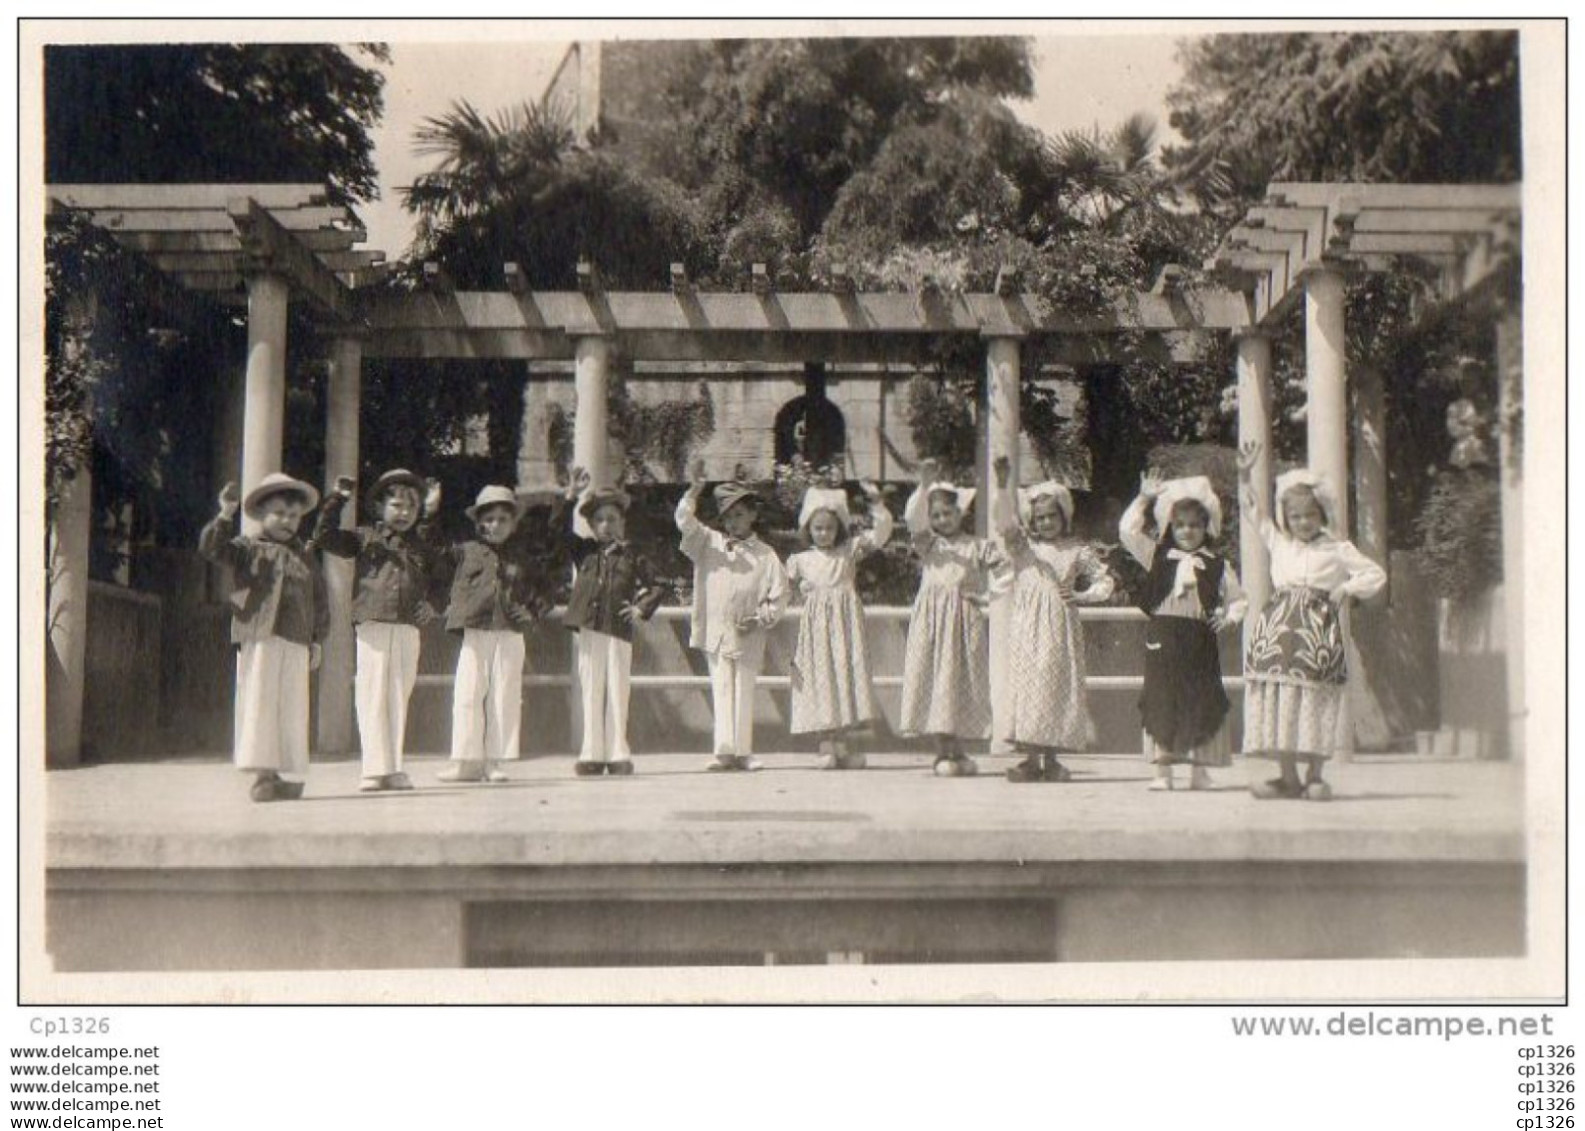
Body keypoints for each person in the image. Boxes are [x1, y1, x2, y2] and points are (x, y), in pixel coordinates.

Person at [1237, 442, 1387, 799]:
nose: (1303, 523)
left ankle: (1315, 775)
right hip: (1277, 636)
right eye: (1295, 517)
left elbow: (1375, 575)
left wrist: (1346, 589)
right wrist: (1244, 474)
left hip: (1317, 637)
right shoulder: (1280, 543)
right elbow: (1253, 511)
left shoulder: (1337, 549)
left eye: (1309, 515)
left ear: (1322, 514)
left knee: (1316, 701)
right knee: (1281, 701)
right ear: (1286, 518)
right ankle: (1287, 776)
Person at [199, 472, 327, 802]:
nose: (287, 520)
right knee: (260, 701)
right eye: (279, 513)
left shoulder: (305, 556)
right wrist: (226, 514)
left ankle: (281, 772)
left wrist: (317, 639)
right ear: (261, 515)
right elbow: (212, 548)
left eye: (294, 515)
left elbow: (319, 598)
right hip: (262, 633)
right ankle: (261, 774)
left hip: (296, 637)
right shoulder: (247, 548)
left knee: (291, 705)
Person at [312, 469, 441, 792]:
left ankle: (394, 768)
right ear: (380, 507)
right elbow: (324, 536)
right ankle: (373, 769)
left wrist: (435, 605)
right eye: (396, 505)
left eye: (411, 508)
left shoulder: (422, 545)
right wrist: (337, 499)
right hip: (373, 625)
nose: (404, 513)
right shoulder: (364, 537)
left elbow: (444, 577)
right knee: (372, 693)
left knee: (398, 694)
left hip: (408, 627)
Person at [1119, 472, 1246, 791]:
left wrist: (1228, 617)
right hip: (1164, 637)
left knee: (1202, 700)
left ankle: (1200, 770)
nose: (1187, 531)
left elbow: (1239, 600)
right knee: (1162, 700)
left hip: (1199, 639)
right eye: (1180, 525)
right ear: (1169, 527)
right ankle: (1162, 772)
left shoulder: (1217, 566)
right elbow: (1127, 531)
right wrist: (1144, 499)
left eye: (1194, 524)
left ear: (1207, 527)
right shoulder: (1156, 557)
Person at [992, 458, 1115, 783]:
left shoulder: (1077, 549)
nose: (1046, 523)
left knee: (1054, 688)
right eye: (1040, 517)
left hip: (1060, 627)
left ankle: (1052, 759)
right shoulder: (1025, 549)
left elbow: (1105, 581)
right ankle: (1031, 759)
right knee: (1029, 688)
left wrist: (1082, 595)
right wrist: (1004, 487)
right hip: (1027, 628)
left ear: (1064, 515)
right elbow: (1005, 525)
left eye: (1052, 516)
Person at [432, 485, 554, 784]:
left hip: (510, 632)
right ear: (478, 523)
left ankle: (494, 761)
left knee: (505, 695)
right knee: (467, 694)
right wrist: (430, 511)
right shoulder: (464, 551)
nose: (495, 525)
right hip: (475, 629)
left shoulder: (524, 557)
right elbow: (434, 559)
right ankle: (466, 763)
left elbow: (548, 589)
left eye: (503, 519)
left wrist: (533, 611)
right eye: (489, 519)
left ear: (513, 523)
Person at [898, 458, 1009, 777]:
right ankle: (941, 750)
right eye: (936, 515)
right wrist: (923, 485)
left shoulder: (978, 546)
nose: (942, 519)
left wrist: (987, 597)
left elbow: (1006, 570)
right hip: (932, 621)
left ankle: (957, 749)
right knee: (934, 679)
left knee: (960, 681)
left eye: (948, 513)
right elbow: (912, 518)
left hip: (963, 620)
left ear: (961, 513)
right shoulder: (929, 545)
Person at [676, 460, 788, 772]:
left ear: (753, 514)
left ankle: (744, 751)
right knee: (721, 687)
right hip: (717, 630)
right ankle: (723, 751)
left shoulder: (766, 555)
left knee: (744, 689)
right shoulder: (708, 542)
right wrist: (694, 491)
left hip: (749, 633)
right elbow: (684, 520)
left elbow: (779, 595)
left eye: (739, 514)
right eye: (727, 516)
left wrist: (760, 617)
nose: (733, 522)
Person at [558, 467, 670, 776]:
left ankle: (618, 751)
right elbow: (555, 532)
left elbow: (660, 582)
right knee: (591, 688)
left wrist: (640, 608)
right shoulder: (584, 552)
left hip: (619, 629)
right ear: (592, 526)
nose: (607, 525)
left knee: (618, 689)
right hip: (590, 628)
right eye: (600, 520)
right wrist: (569, 498)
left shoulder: (632, 555)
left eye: (613, 519)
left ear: (622, 523)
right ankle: (592, 752)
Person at [785, 478, 893, 769]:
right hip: (817, 631)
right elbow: (779, 587)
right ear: (808, 529)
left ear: (839, 528)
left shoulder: (849, 551)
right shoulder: (801, 560)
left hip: (845, 627)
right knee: (822, 680)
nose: (824, 533)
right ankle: (825, 744)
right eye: (818, 528)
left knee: (844, 678)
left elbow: (881, 533)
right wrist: (800, 591)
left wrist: (876, 504)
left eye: (830, 528)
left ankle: (843, 746)